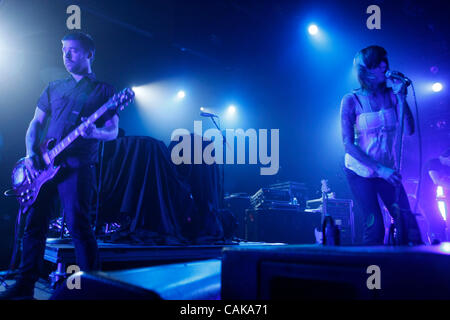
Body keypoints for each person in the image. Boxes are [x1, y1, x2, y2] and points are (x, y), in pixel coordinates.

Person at [0, 32, 119, 299]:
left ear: (89, 54)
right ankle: (24, 285)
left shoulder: (104, 91)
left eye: (73, 50)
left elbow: (111, 131)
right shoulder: (54, 87)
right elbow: (35, 124)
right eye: (64, 49)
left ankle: (93, 291)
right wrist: (31, 155)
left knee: (79, 226)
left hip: (78, 166)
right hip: (43, 165)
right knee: (34, 225)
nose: (66, 55)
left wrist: (94, 133)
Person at [340, 45, 422, 245]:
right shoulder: (351, 100)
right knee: (374, 224)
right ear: (365, 70)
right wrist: (379, 169)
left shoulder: (392, 95)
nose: (384, 66)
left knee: (406, 222)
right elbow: (348, 144)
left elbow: (409, 129)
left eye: (385, 61)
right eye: (377, 64)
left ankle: (410, 270)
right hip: (361, 172)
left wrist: (402, 98)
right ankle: (371, 273)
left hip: (388, 170)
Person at [421, 148, 450, 241]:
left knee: (441, 223)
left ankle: (440, 244)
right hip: (423, 198)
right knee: (435, 221)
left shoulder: (446, 168)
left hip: (432, 198)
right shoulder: (433, 162)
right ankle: (433, 245)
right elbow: (436, 181)